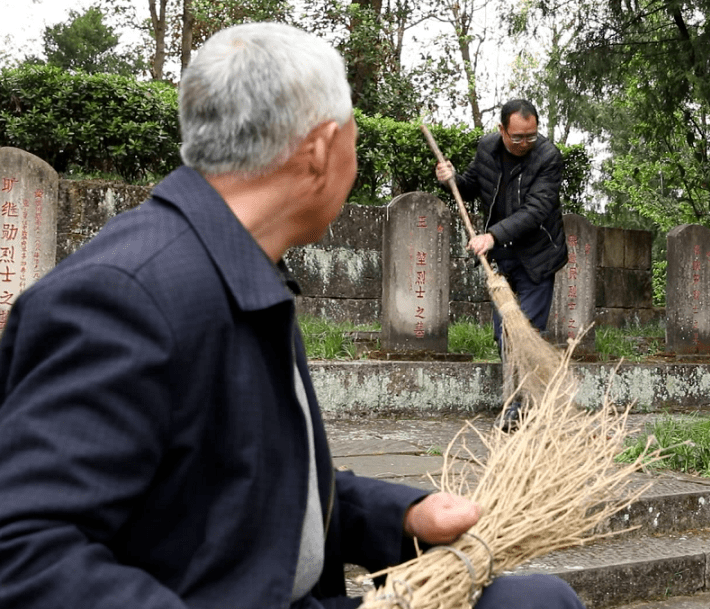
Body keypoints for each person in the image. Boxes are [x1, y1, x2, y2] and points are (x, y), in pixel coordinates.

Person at [0, 23, 584, 609]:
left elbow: (260, 479)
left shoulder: (239, 264)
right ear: (321, 149)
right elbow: (23, 553)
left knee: (537, 602)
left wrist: (403, 516)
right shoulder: (123, 295)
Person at [434, 100, 569, 430]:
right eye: (517, 137)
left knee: (529, 331)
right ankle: (520, 400)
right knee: (504, 333)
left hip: (537, 256)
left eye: (531, 137)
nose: (524, 144)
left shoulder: (548, 157)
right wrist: (450, 178)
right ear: (502, 131)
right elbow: (472, 185)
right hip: (502, 258)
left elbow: (536, 210)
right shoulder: (487, 148)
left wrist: (491, 236)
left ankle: (520, 406)